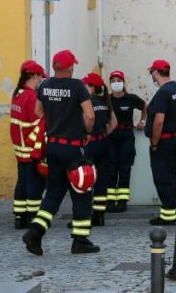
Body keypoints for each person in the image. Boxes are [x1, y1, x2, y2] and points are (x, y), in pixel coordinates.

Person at [22, 50, 99, 255]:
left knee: (54, 192)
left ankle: (35, 232)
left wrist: (55, 116)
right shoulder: (77, 87)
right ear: (71, 67)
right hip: (74, 146)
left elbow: (38, 112)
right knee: (82, 189)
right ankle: (80, 240)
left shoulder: (45, 85)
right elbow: (90, 116)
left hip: (53, 146)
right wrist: (87, 132)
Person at [146, 59, 176, 226]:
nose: (152, 75)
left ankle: (168, 215)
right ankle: (175, 205)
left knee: (163, 177)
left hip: (165, 142)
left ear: (156, 72)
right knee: (173, 175)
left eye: (152, 72)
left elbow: (158, 121)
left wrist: (155, 143)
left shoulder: (163, 93)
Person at [10, 60, 47, 229]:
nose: (41, 80)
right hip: (32, 148)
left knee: (22, 182)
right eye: (40, 77)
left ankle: (19, 216)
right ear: (33, 75)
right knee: (34, 183)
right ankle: (33, 216)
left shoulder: (17, 93)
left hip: (20, 148)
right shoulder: (32, 97)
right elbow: (39, 123)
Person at [106, 70, 147, 213]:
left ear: (123, 82)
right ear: (110, 84)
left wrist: (142, 121)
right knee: (111, 169)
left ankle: (122, 201)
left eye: (118, 80)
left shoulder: (131, 98)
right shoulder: (107, 99)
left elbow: (145, 106)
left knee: (124, 169)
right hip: (111, 137)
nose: (116, 83)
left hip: (126, 136)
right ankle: (110, 201)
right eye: (113, 80)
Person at [82, 73, 118, 227]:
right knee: (101, 180)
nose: (83, 87)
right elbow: (114, 122)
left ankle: (83, 215)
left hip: (90, 145)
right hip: (104, 143)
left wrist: (87, 134)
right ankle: (99, 215)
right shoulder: (105, 101)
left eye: (86, 85)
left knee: (86, 179)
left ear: (91, 87)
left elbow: (87, 120)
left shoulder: (87, 101)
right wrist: (104, 134)